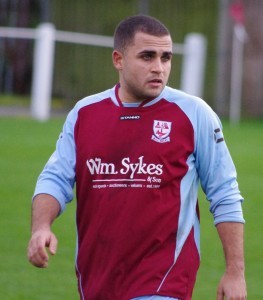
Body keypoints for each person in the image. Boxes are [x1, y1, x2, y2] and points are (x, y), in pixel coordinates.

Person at [27, 15, 247, 300]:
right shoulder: (85, 113)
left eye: (166, 57)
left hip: (164, 281)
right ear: (118, 59)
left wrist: (235, 272)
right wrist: (41, 227)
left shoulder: (194, 114)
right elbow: (55, 178)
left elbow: (225, 194)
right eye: (147, 56)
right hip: (97, 278)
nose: (159, 68)